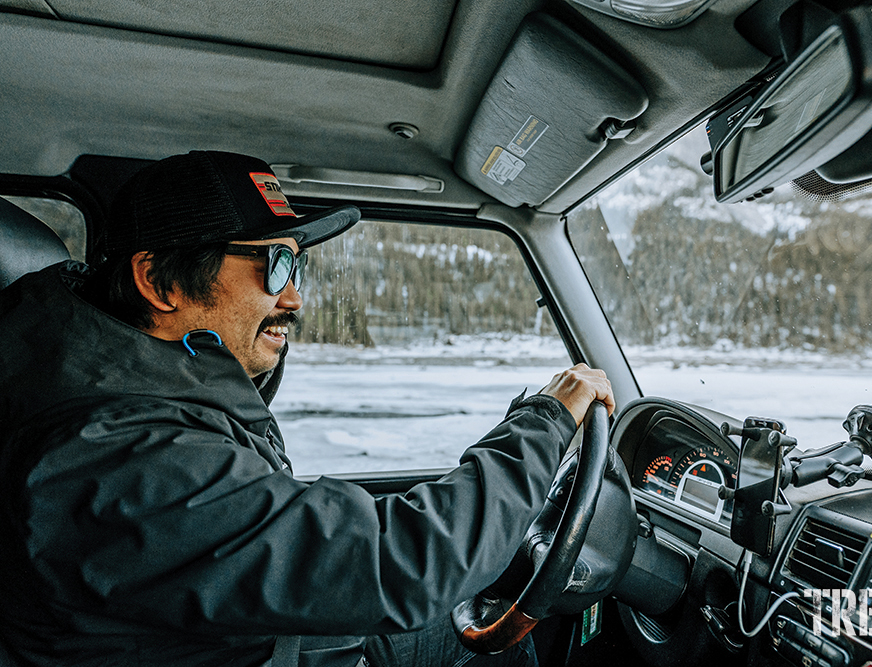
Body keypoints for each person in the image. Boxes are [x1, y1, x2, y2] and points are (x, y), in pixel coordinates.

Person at [0, 151, 615, 667]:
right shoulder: (121, 455)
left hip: (247, 641)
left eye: (298, 263)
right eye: (273, 265)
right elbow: (400, 564)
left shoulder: (143, 402)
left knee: (482, 621)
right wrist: (547, 420)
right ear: (161, 283)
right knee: (494, 641)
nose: (294, 295)